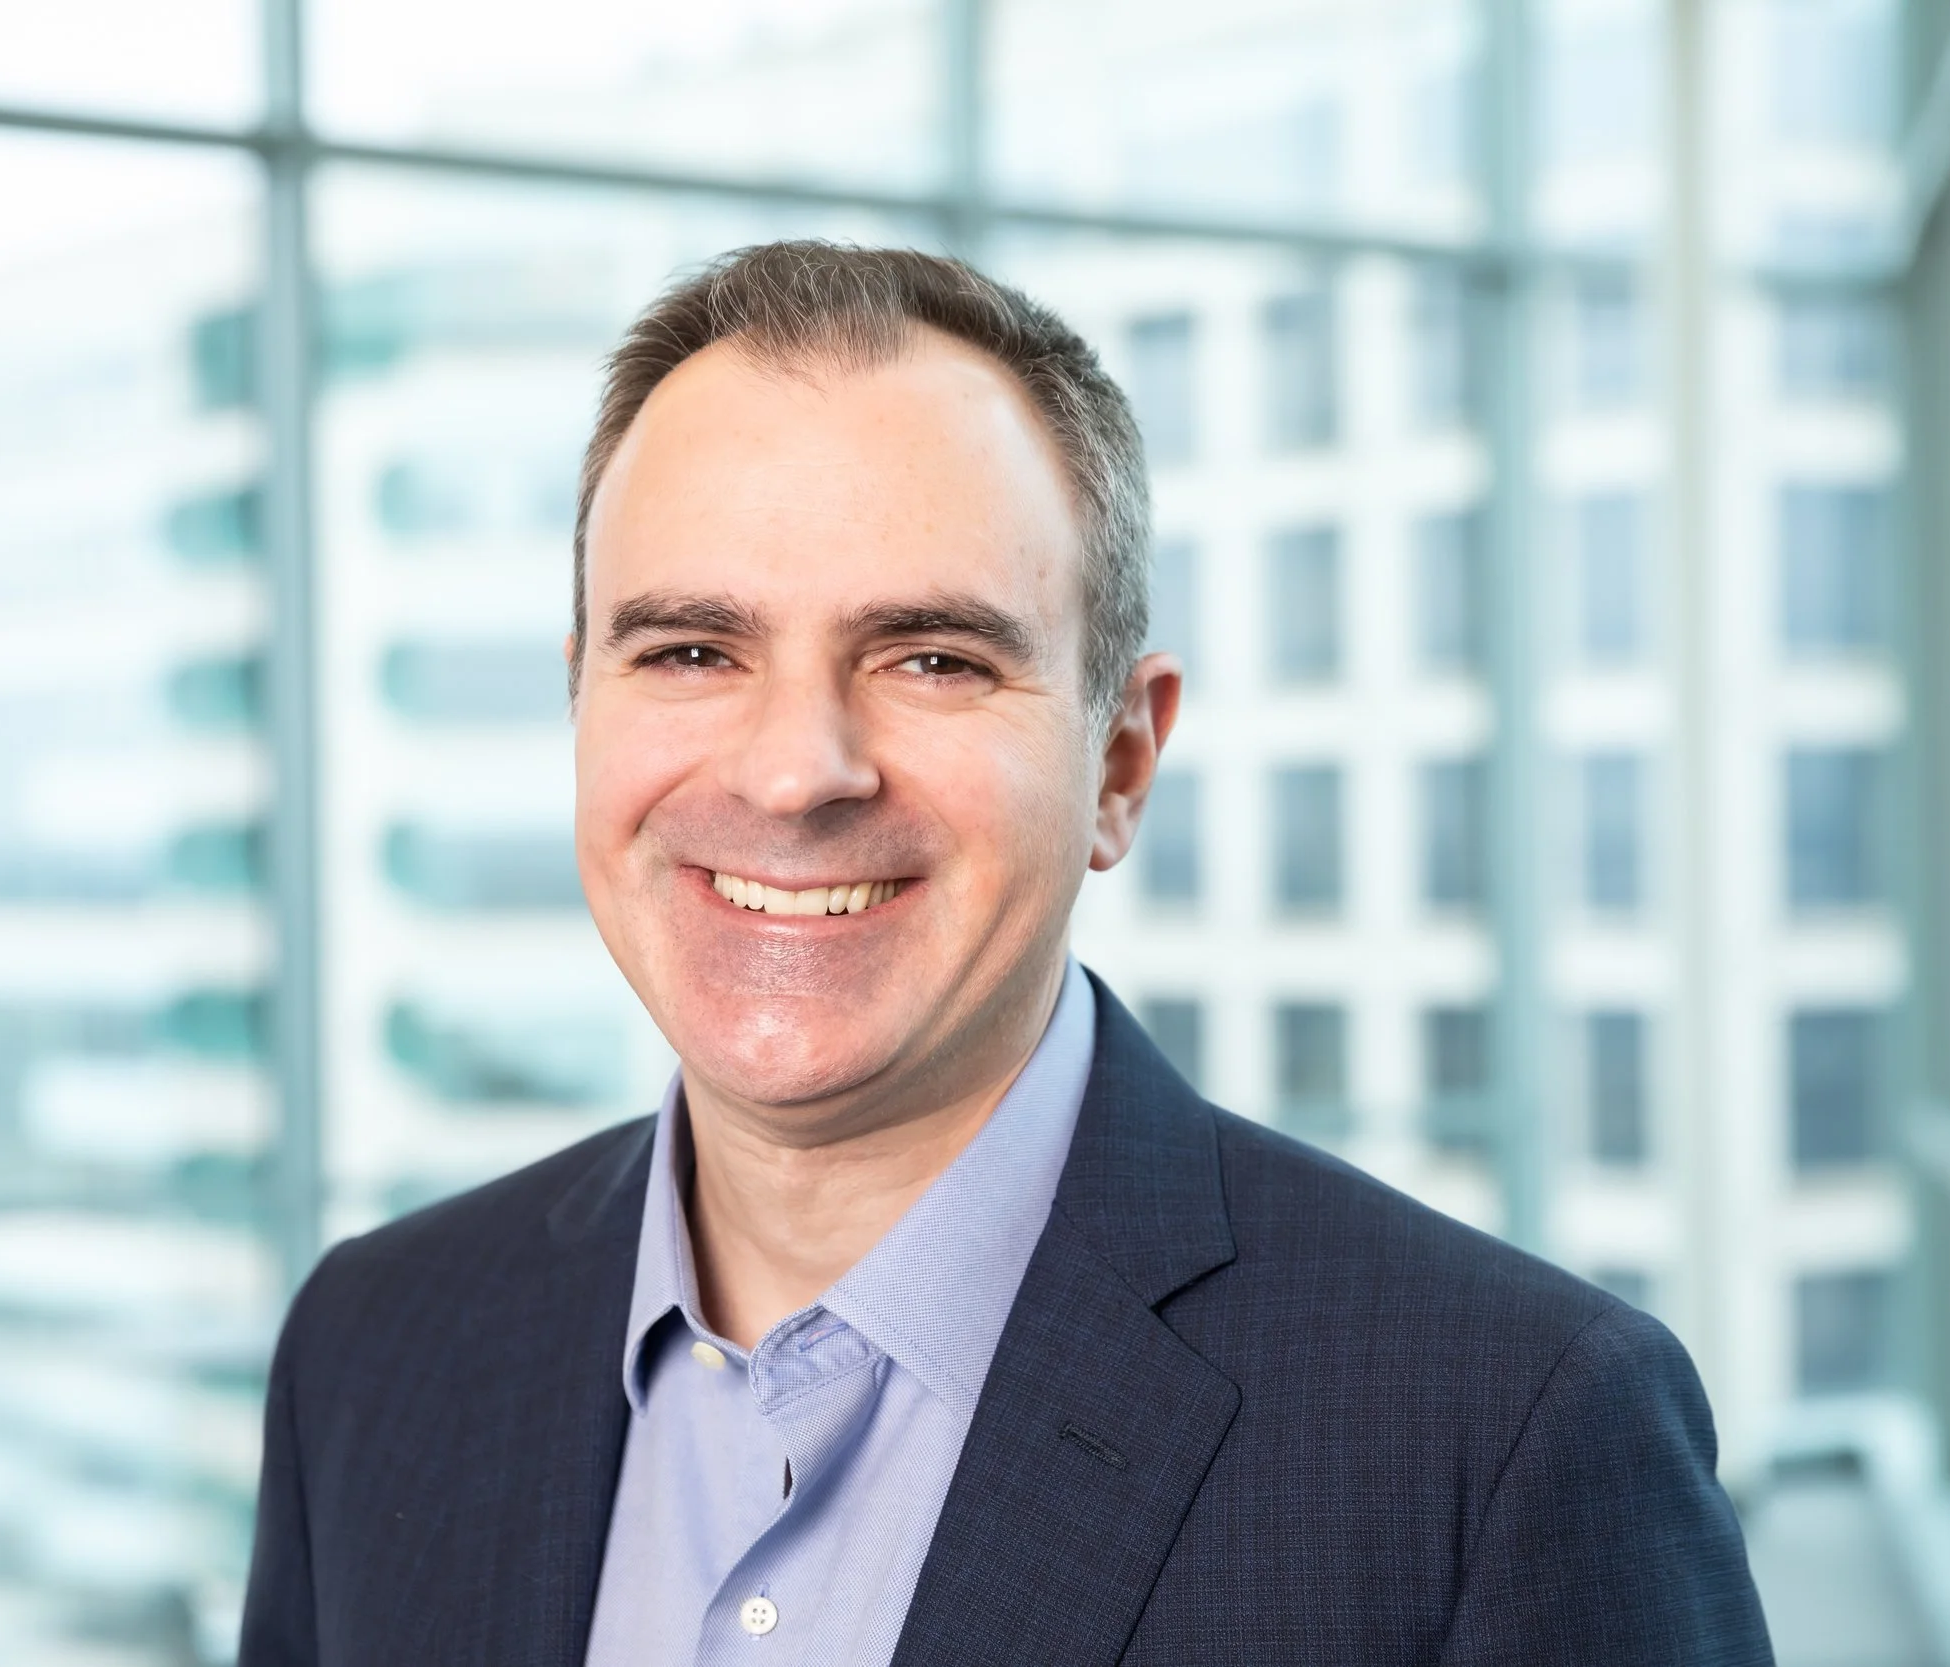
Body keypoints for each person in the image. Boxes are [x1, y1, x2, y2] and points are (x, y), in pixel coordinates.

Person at [239, 241, 1773, 1666]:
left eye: (932, 657)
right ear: (581, 699)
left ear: (1120, 763)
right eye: (693, 650)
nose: (796, 771)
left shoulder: (1505, 1439)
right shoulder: (375, 1349)